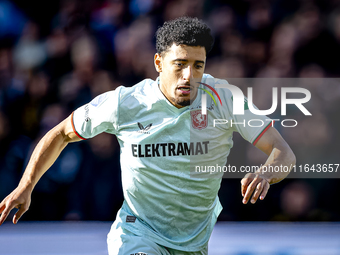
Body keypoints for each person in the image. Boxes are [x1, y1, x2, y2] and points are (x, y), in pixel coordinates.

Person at [0, 17, 295, 254]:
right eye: (179, 64)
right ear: (158, 64)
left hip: (193, 243)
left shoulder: (225, 99)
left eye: (198, 66)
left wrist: (266, 174)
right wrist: (26, 185)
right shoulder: (125, 103)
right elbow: (62, 132)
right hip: (136, 231)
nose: (188, 76)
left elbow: (283, 152)